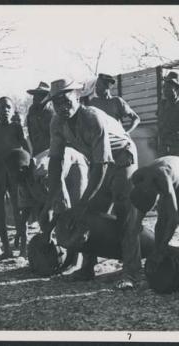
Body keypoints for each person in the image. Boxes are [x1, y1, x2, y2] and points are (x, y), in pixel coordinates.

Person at [40, 78, 141, 289]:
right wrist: (50, 203)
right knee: (90, 214)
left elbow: (102, 165)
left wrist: (83, 202)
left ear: (77, 96)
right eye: (56, 102)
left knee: (125, 213)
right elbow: (56, 163)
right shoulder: (57, 122)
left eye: (65, 100)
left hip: (122, 158)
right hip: (99, 163)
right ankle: (87, 268)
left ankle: (131, 272)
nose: (61, 106)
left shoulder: (92, 117)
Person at [130, 156, 179, 297]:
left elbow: (173, 219)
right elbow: (140, 211)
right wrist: (135, 227)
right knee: (159, 226)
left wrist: (161, 248)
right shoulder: (138, 178)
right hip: (167, 180)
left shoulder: (162, 179)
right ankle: (154, 279)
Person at [6, 146, 88, 258]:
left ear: (23, 170)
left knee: (74, 215)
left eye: (11, 174)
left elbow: (63, 206)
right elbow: (26, 206)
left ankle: (76, 260)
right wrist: (20, 230)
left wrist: (48, 231)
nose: (10, 178)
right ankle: (56, 254)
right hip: (52, 179)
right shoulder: (22, 177)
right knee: (44, 218)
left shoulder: (45, 173)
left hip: (74, 163)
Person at [0, 97, 31, 261]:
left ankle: (23, 250)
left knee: (19, 210)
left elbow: (26, 148)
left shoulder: (17, 127)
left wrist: (28, 166)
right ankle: (6, 249)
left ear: (13, 111)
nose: (5, 110)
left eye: (8, 107)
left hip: (15, 173)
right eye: (2, 107)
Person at [26, 81, 54, 156]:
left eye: (40, 95)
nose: (35, 98)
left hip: (50, 151)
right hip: (37, 150)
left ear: (47, 97)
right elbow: (30, 132)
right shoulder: (31, 111)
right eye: (35, 95)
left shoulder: (53, 112)